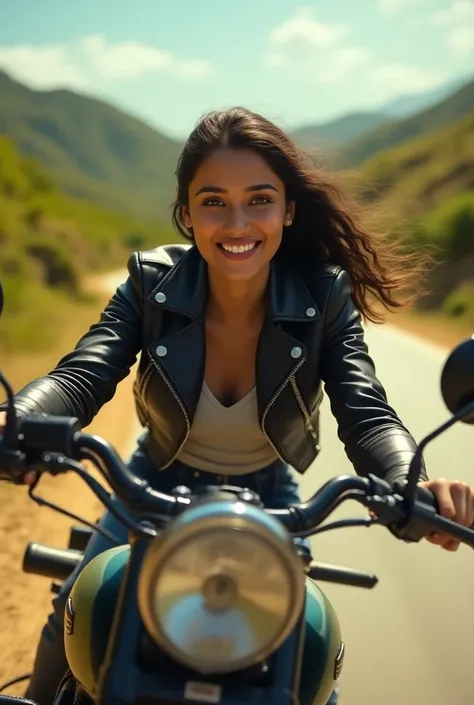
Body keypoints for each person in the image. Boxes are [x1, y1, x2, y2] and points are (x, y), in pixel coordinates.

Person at [1, 106, 473, 705]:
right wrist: (18, 420)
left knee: (308, 658)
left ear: (287, 210)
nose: (237, 222)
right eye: (214, 201)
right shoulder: (151, 284)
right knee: (78, 613)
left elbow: (365, 409)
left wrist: (412, 483)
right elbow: (83, 374)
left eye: (259, 199)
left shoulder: (324, 296)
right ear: (187, 214)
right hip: (150, 484)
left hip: (270, 499)